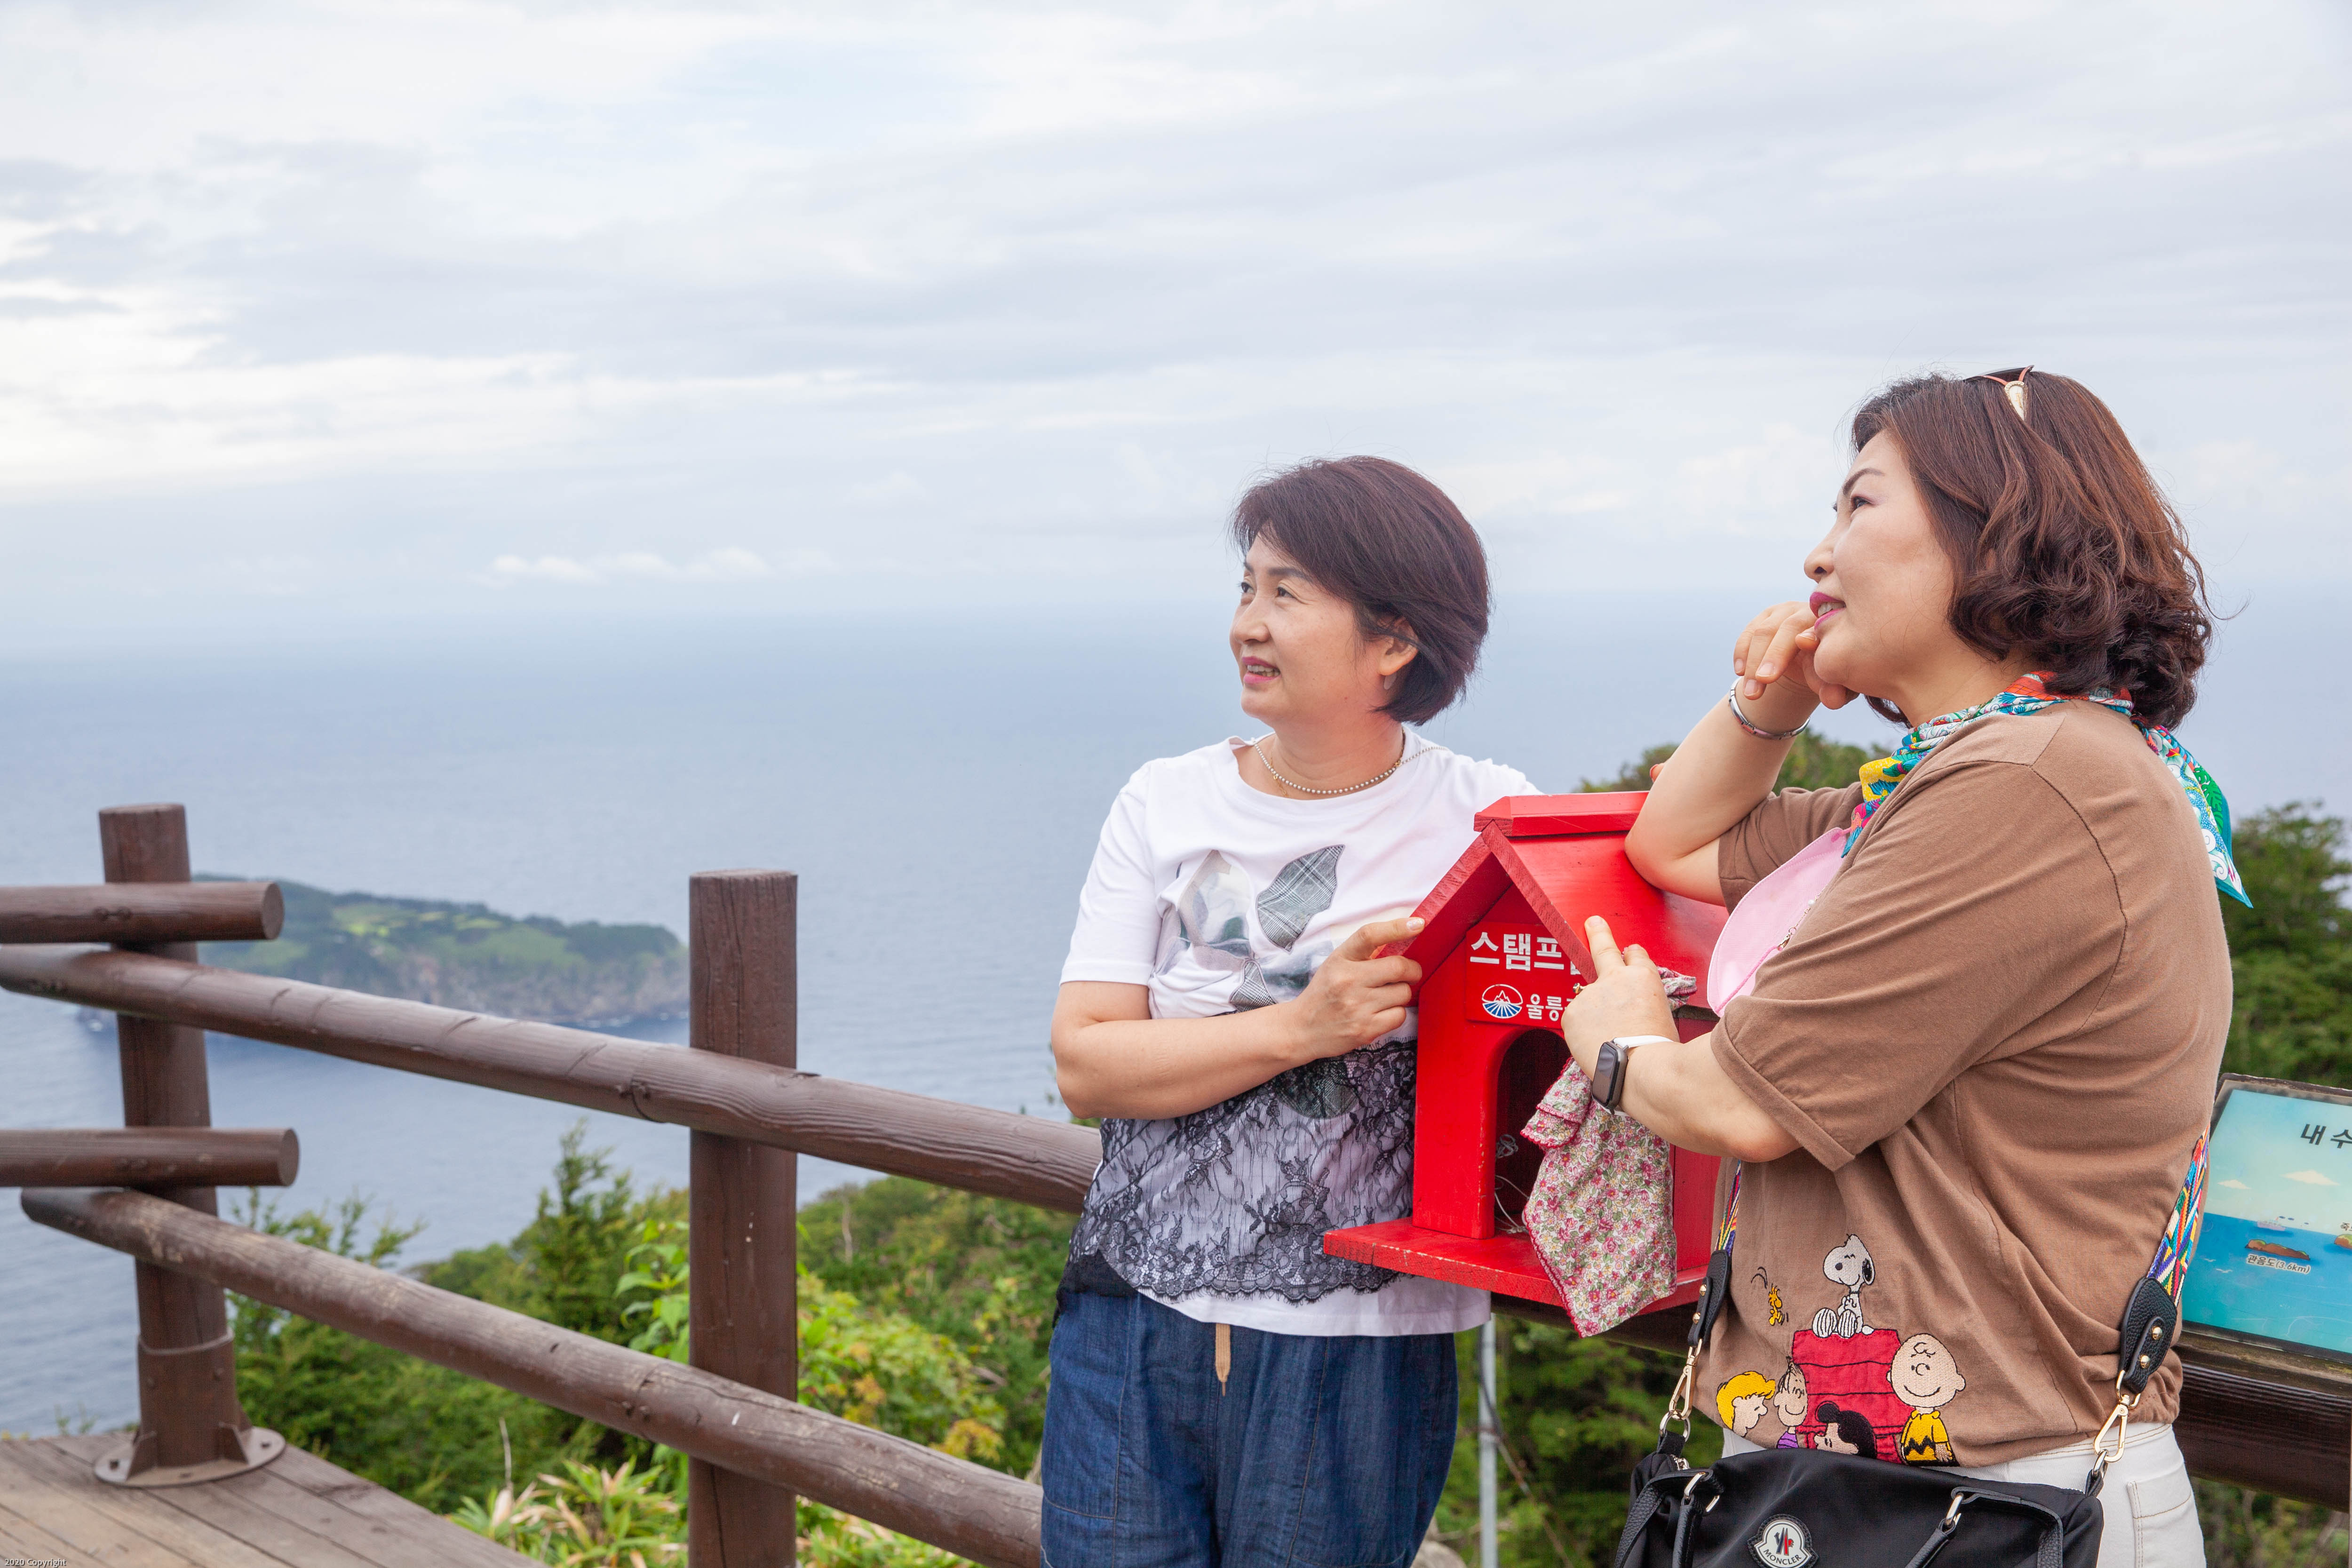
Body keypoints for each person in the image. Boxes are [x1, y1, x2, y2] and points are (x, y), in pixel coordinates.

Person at [1561, 369, 2231, 1567]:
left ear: (1997, 528)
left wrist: (1619, 1043)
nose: (1817, 554)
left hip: (1999, 1500)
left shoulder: (2029, 787)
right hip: (1882, 1481)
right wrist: (1768, 700)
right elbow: (1676, 843)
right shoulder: (1944, 781)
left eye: (1859, 503)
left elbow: (1737, 1103)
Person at [1042, 456, 1535, 1568]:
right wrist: (1303, 1027)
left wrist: (1759, 711)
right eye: (1245, 587)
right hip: (1132, 1313)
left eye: (1285, 593)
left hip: (1359, 1343)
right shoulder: (1164, 798)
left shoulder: (1484, 816)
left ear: (1393, 640)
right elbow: (1085, 1063)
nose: (1246, 624)